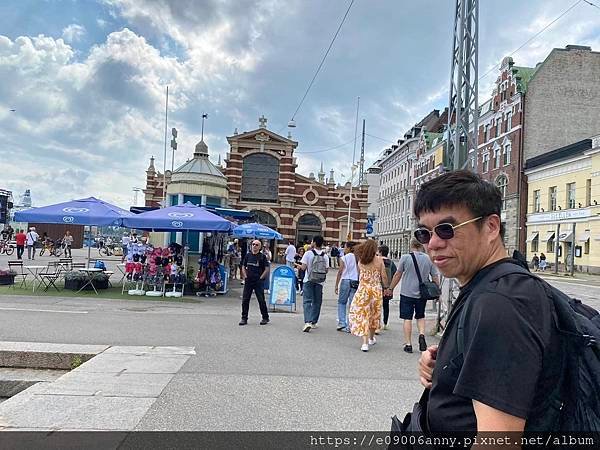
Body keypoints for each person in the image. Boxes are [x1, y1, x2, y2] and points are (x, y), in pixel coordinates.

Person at [416, 170, 563, 433]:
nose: (434, 244)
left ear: (491, 227)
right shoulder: (489, 285)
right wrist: (452, 363)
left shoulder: (501, 303)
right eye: (425, 233)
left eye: (446, 230)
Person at [387, 238, 439, 353]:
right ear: (422, 245)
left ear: (411, 245)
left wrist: (391, 288)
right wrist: (437, 291)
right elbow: (435, 276)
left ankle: (408, 344)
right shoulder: (428, 259)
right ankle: (421, 335)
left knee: (407, 318)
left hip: (407, 293)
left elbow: (397, 274)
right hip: (422, 294)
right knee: (420, 316)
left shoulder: (405, 258)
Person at [348, 239, 388, 352]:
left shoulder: (361, 261)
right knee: (374, 314)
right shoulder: (379, 260)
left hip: (363, 290)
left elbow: (359, 275)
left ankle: (364, 343)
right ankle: (371, 338)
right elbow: (384, 276)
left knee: (363, 314)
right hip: (375, 290)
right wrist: (387, 287)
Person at [298, 235, 329, 332]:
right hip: (320, 282)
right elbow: (326, 270)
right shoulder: (325, 256)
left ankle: (307, 322)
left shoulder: (308, 254)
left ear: (314, 243)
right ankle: (314, 322)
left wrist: (298, 266)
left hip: (309, 280)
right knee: (317, 302)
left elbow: (303, 268)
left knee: (307, 301)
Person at [239, 240, 270, 326]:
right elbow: (243, 266)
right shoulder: (248, 255)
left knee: (261, 300)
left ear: (260, 247)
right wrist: (245, 276)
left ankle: (265, 317)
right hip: (248, 280)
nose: (254, 246)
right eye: (253, 244)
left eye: (257, 245)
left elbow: (267, 268)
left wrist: (261, 278)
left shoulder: (262, 257)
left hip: (258, 281)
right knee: (245, 299)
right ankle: (244, 318)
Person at [334, 241, 358, 332]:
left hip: (345, 280)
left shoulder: (344, 258)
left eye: (345, 247)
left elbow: (340, 272)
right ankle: (351, 325)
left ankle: (342, 322)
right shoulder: (357, 258)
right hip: (355, 281)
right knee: (352, 304)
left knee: (342, 302)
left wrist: (336, 285)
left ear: (348, 248)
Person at [378, 244, 397, 331]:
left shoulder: (377, 261)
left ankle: (377, 323)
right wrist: (391, 288)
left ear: (381, 252)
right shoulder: (391, 263)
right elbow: (395, 274)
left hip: (377, 286)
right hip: (387, 287)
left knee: (377, 306)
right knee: (386, 305)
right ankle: (385, 323)